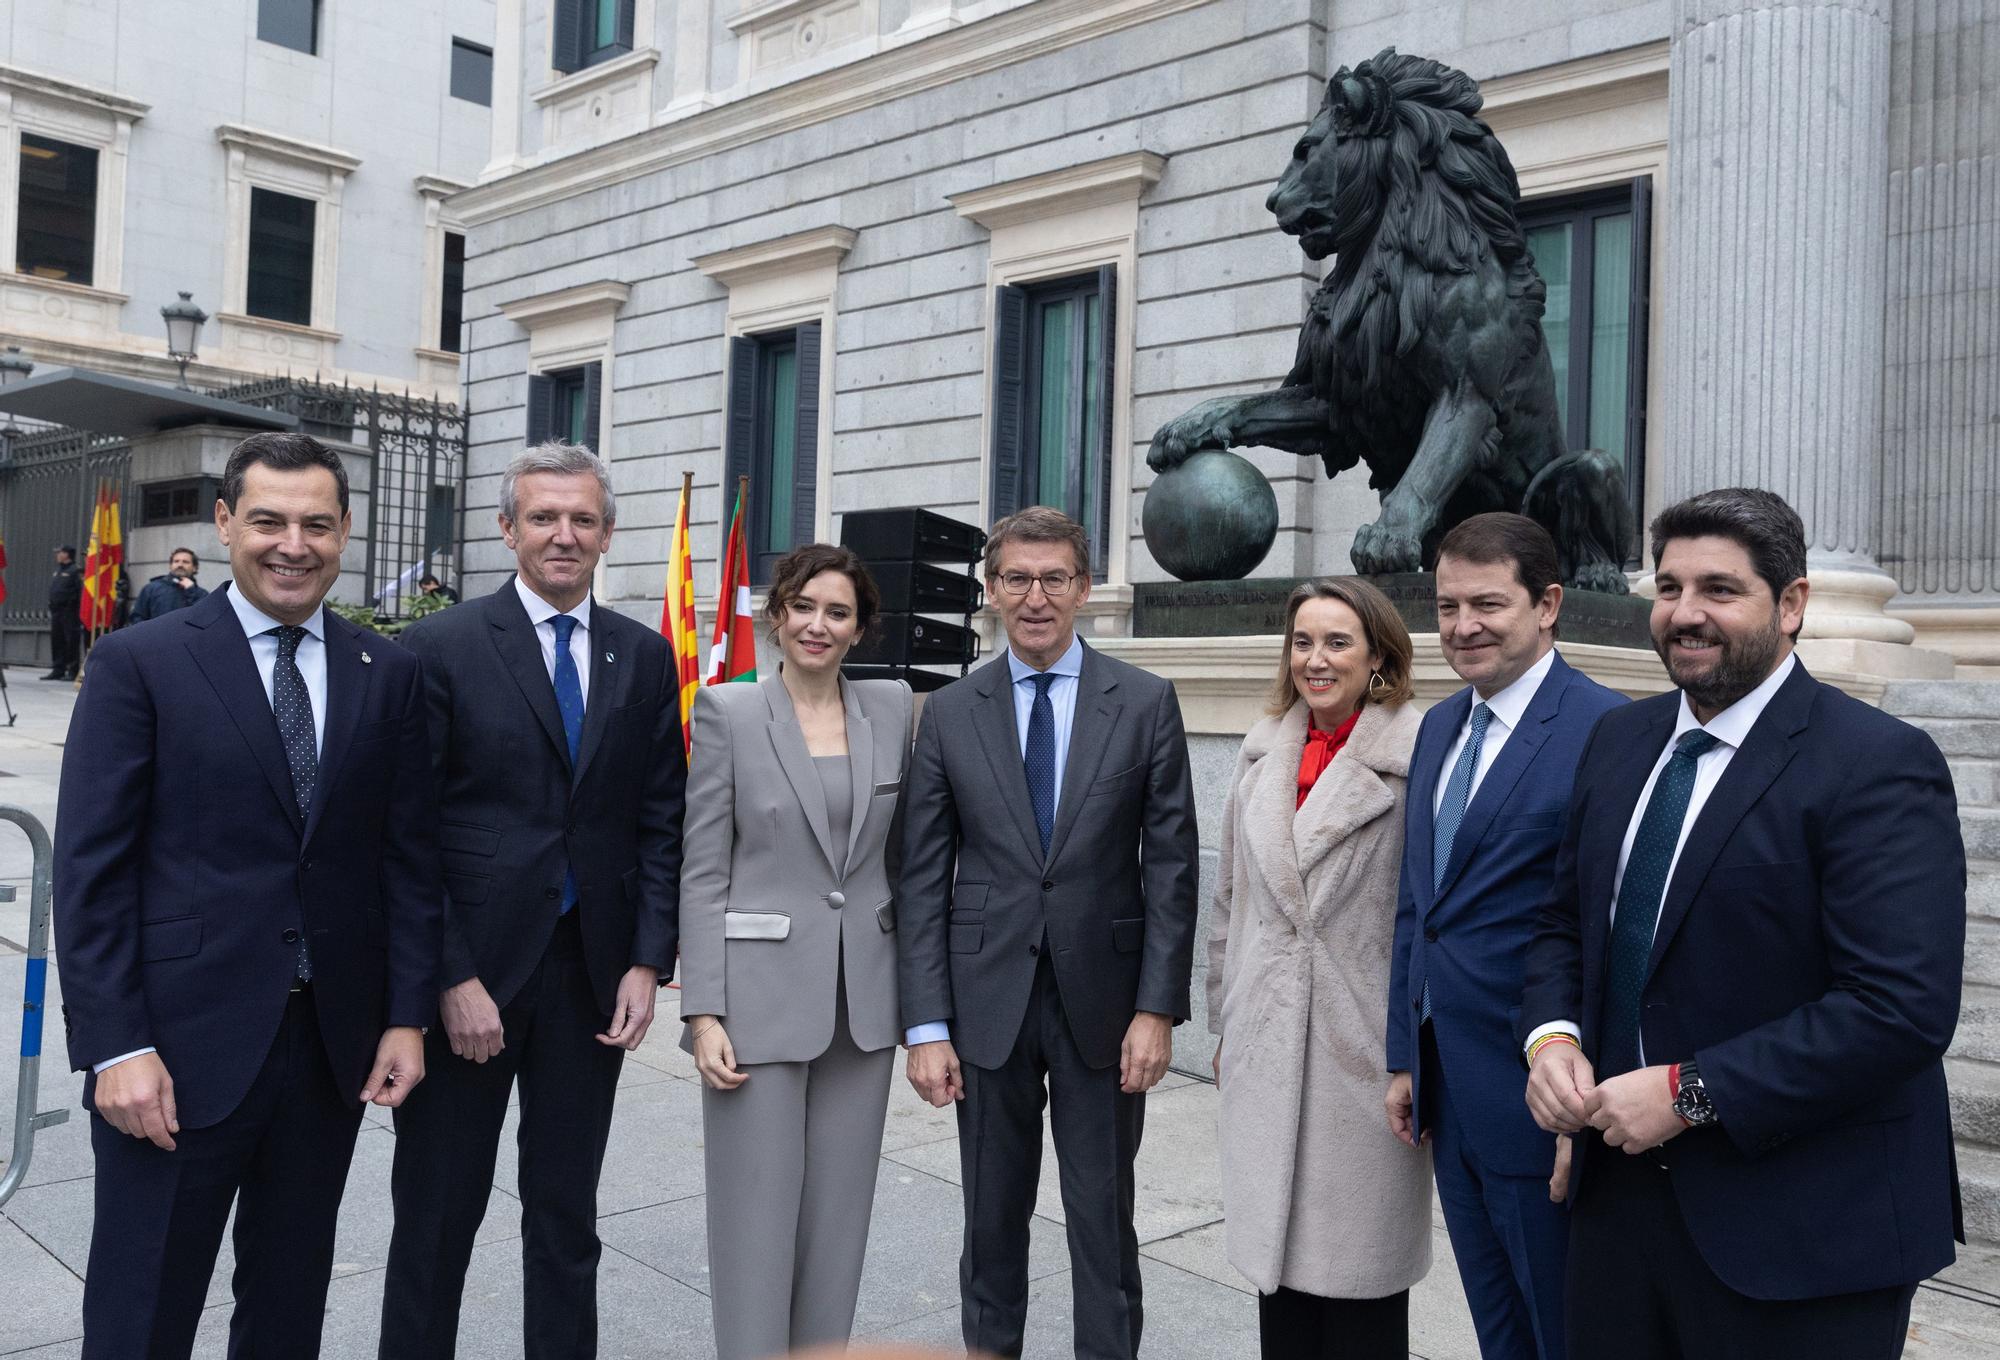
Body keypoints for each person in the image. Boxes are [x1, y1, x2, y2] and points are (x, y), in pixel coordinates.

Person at [1519, 487, 1966, 1359]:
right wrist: (1552, 1041)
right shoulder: (1619, 741)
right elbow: (1562, 926)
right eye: (1671, 587)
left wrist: (1690, 1093)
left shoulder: (1877, 765)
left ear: (1790, 604)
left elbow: (1898, 1008)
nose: (1687, 614)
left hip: (1802, 1233)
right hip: (1617, 1216)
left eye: (1720, 590)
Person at [54, 431, 441, 1359]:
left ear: (346, 532)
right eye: (268, 520)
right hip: (176, 1053)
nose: (291, 544)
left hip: (327, 1049)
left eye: (316, 523)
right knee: (144, 1308)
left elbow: (406, 859)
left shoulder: (386, 673)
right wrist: (118, 1046)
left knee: (287, 1301)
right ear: (225, 523)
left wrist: (405, 1016)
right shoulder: (140, 663)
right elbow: (90, 872)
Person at [380, 442, 685, 1359]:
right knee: (436, 1224)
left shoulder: (643, 654)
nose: (564, 535)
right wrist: (448, 978)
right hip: (469, 981)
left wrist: (644, 957)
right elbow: (405, 834)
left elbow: (660, 819)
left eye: (582, 519)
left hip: (589, 981)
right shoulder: (438, 648)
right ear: (506, 528)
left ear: (607, 534)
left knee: (566, 1220)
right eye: (544, 517)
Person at [899, 505, 1200, 1360]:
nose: (1036, 597)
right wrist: (925, 1025)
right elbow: (921, 874)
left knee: (1104, 1227)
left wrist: (1158, 1011)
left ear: (1085, 589)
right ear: (991, 591)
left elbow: (1172, 867)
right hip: (983, 1007)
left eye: (1055, 578)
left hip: (1105, 1013)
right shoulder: (951, 711)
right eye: (1017, 579)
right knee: (990, 1227)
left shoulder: (1143, 703)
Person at [1384, 514, 1625, 1360]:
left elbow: (1610, 932)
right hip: (1449, 1090)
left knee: (1564, 1333)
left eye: (1488, 603)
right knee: (1499, 1333)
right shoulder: (1441, 725)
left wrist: (1584, 1101)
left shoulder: (1608, 729)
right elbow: (1421, 910)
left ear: (1549, 603)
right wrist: (1404, 1055)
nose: (1463, 626)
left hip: (1540, 1097)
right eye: (1447, 607)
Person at [680, 542, 914, 1360]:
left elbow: (903, 861)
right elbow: (703, 870)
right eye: (805, 607)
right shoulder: (728, 712)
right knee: (755, 1219)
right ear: (777, 617)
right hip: (757, 999)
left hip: (865, 1003)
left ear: (860, 629)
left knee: (838, 1222)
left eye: (838, 612)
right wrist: (702, 1012)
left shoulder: (894, 708)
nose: (819, 624)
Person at [1208, 576, 1431, 1359]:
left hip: (1361, 1053)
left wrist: (1409, 1054)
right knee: (1282, 1287)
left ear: (1378, 655)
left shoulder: (1418, 758)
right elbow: (1229, 903)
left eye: (1338, 642)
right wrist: (1228, 1022)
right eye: (1303, 641)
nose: (1316, 659)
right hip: (1267, 1041)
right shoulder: (1263, 749)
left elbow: (1426, 921)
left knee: (1359, 1286)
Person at [131, 548, 208, 623]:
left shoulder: (202, 594)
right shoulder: (151, 588)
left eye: (185, 562)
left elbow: (204, 618)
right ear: (170, 565)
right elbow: (137, 617)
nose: (180, 565)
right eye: (176, 561)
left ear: (194, 568)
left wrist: (191, 591)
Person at [44, 543, 81, 679]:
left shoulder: (75, 571)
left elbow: (79, 592)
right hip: (57, 611)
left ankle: (72, 670)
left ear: (67, 554)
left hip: (69, 611)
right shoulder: (58, 570)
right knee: (57, 640)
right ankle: (58, 669)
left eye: (60, 552)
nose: (57, 555)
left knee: (71, 640)